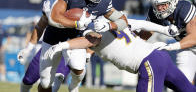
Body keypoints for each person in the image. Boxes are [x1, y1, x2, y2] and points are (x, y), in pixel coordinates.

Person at [21, 0, 128, 92]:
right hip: (54, 35)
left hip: (76, 37)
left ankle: (75, 85)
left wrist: (110, 25)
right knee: (45, 82)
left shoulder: (104, 2)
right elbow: (54, 18)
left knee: (78, 66)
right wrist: (77, 23)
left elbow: (123, 21)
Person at [46, 17, 196, 92]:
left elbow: (92, 39)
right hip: (159, 57)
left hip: (149, 63)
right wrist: (164, 30)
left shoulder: (93, 31)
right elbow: (143, 24)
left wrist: (63, 45)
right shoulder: (116, 21)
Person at [143, 0, 196, 84]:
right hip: (186, 49)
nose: (159, 8)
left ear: (173, 1)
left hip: (187, 43)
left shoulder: (184, 8)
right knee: (183, 83)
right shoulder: (154, 13)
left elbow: (194, 38)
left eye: (163, 4)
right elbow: (144, 35)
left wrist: (170, 47)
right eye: (157, 5)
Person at [17, 0, 70, 92]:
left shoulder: (85, 8)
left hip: (68, 49)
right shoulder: (52, 3)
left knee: (54, 82)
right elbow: (40, 26)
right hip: (48, 46)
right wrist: (28, 49)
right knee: (28, 80)